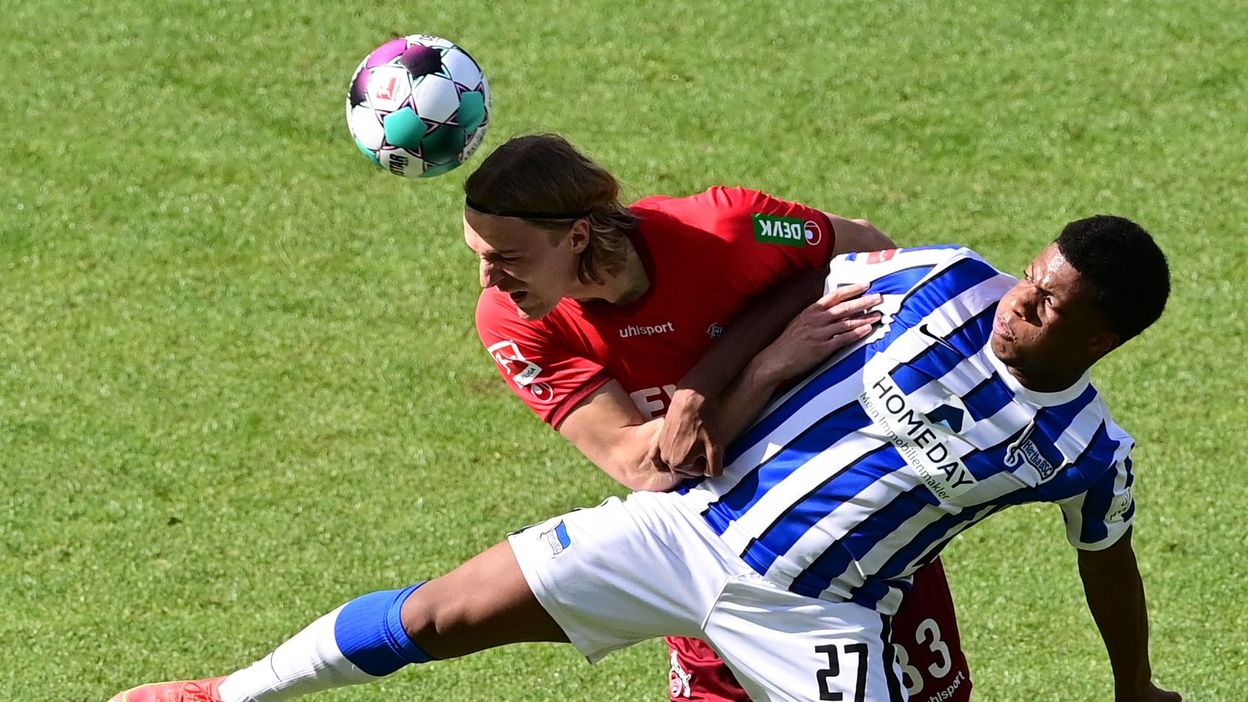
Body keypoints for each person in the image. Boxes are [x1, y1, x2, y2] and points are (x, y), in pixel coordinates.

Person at [110, 215, 1180, 702]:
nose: (1017, 305)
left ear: (1102, 339)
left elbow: (1108, 564)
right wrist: (732, 383)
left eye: (1044, 306)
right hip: (688, 528)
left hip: (819, 620)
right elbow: (812, 276)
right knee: (444, 613)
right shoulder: (945, 280)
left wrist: (1134, 687)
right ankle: (224, 693)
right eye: (1029, 278)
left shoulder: (1088, 451)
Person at [466, 134, 971, 701]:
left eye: (506, 257)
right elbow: (644, 466)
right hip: (713, 555)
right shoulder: (514, 321)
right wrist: (761, 370)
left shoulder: (728, 226)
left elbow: (873, 251)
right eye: (478, 256)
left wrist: (724, 385)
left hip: (853, 519)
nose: (488, 280)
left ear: (578, 234)